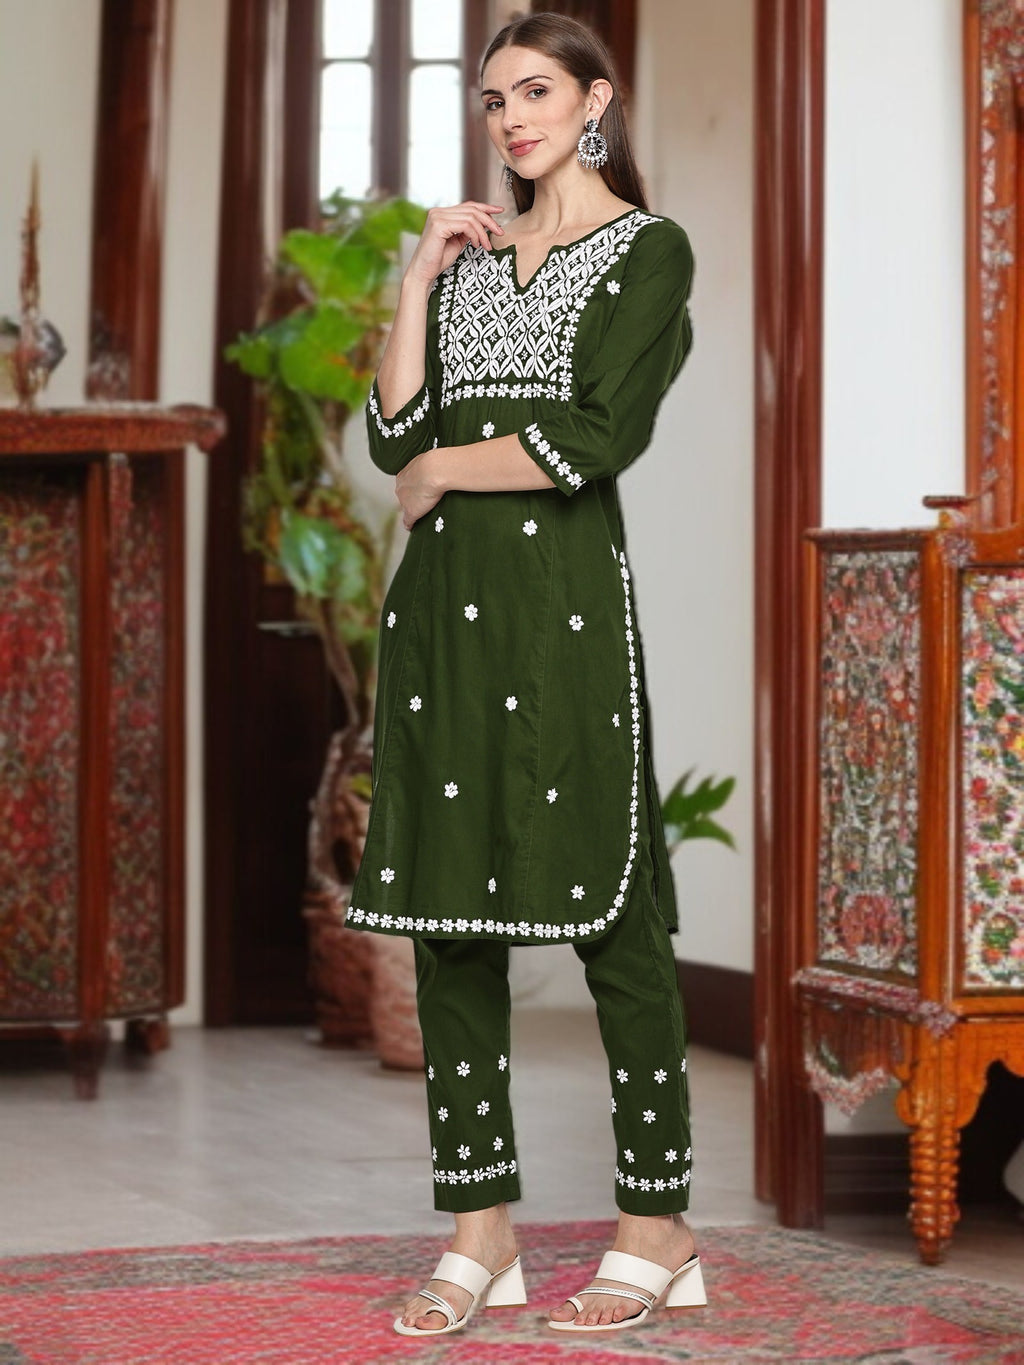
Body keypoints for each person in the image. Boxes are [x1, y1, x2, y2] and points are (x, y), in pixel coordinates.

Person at [345, 10, 704, 1337]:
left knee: (611, 912)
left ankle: (656, 1222)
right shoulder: (481, 263)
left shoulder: (646, 255)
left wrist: (447, 467)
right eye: (495, 99)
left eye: (536, 91)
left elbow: (595, 433)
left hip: (558, 617)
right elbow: (394, 433)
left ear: (596, 99)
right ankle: (479, 1233)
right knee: (452, 918)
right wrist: (420, 282)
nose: (512, 119)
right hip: (445, 623)